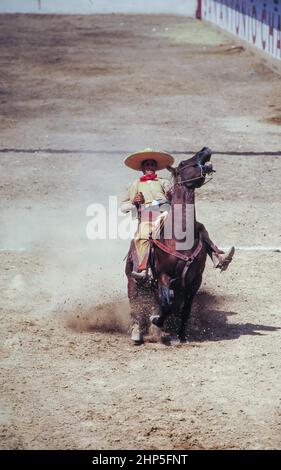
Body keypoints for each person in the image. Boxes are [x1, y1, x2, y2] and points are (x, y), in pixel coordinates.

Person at [121, 148, 234, 279]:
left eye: (152, 164)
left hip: (167, 214)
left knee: (199, 227)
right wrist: (134, 202)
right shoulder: (135, 185)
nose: (150, 167)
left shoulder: (163, 182)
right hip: (148, 219)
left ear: (156, 167)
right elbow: (123, 207)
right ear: (142, 167)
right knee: (143, 236)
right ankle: (144, 268)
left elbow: (174, 193)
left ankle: (216, 256)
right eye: (147, 164)